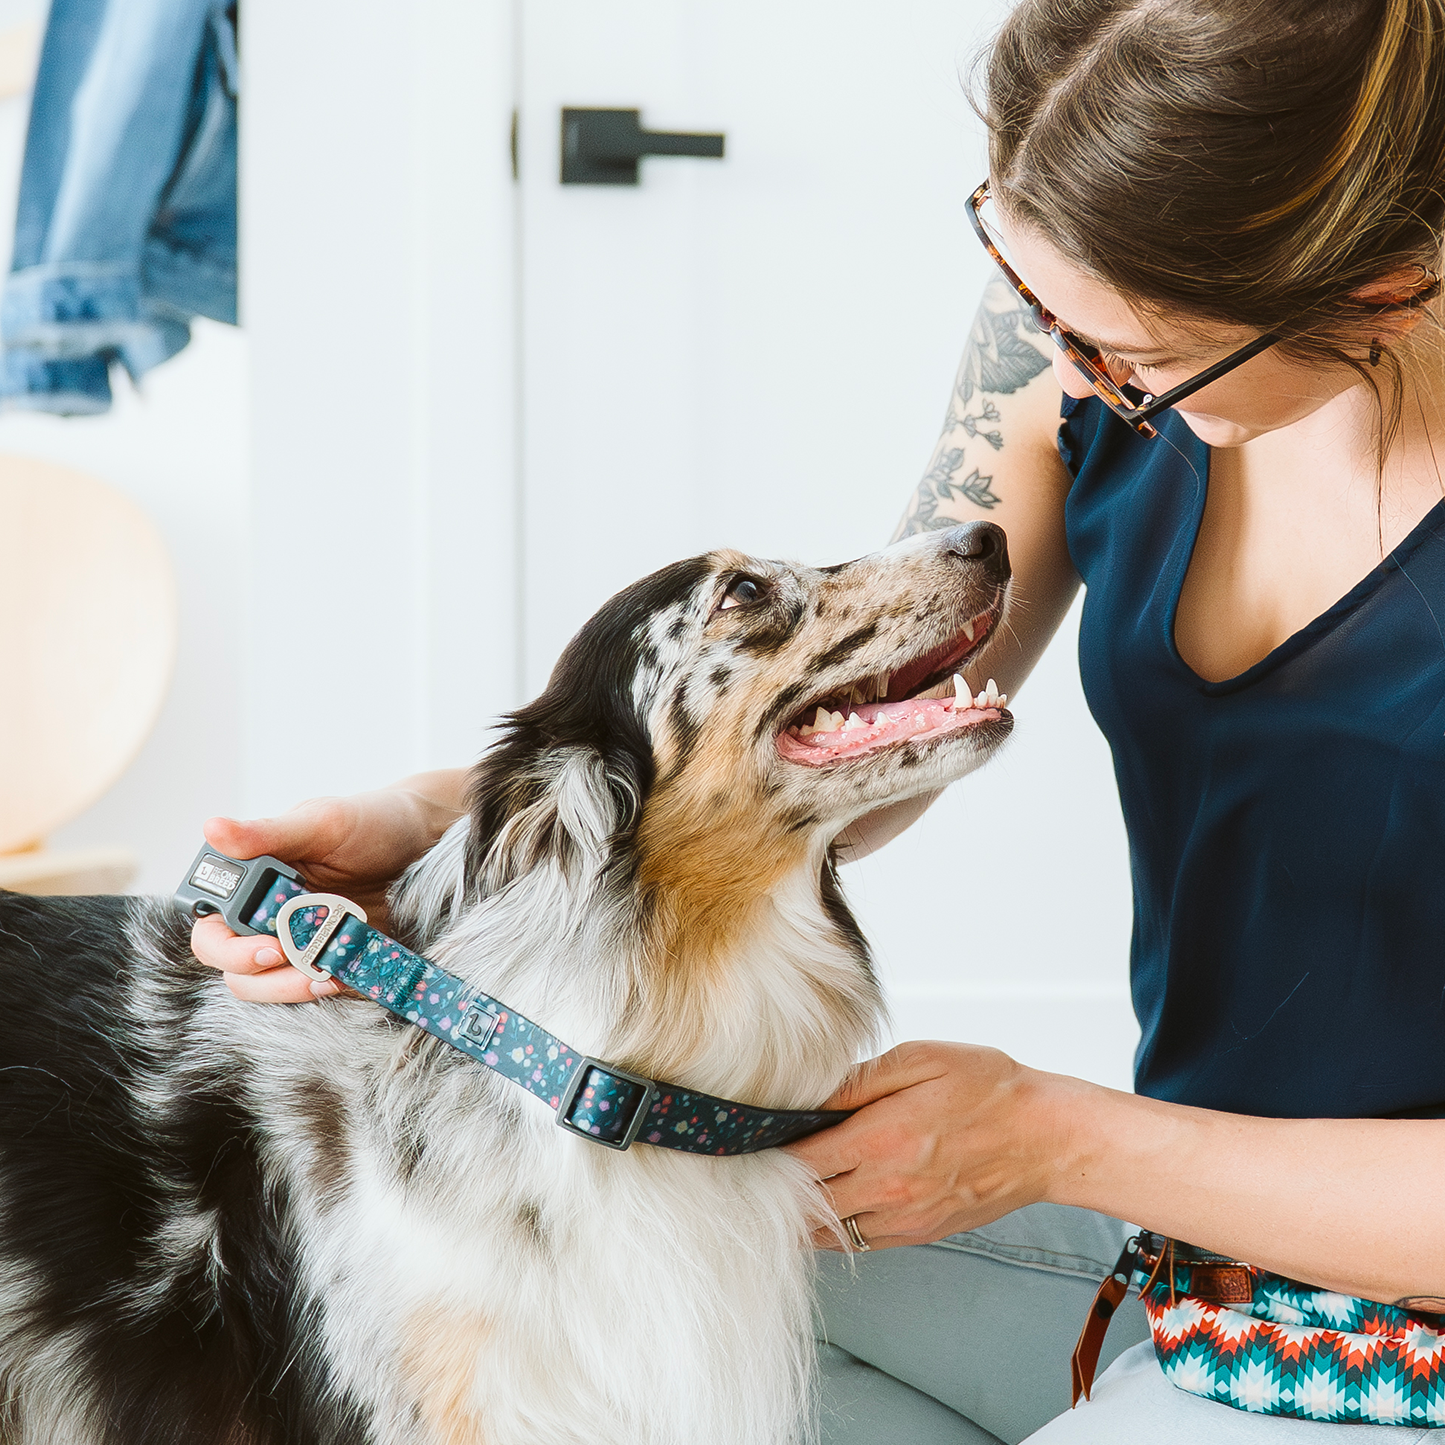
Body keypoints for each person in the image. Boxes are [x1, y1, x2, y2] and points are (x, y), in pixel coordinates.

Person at [192, 0, 1445, 1437]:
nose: (1068, 373)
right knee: (536, 1307)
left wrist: (1055, 1137)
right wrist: (452, 823)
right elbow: (859, 715)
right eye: (1032, 299)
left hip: (1393, 1315)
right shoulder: (1077, 331)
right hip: (1186, 1254)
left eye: (1131, 364)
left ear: (1381, 291)